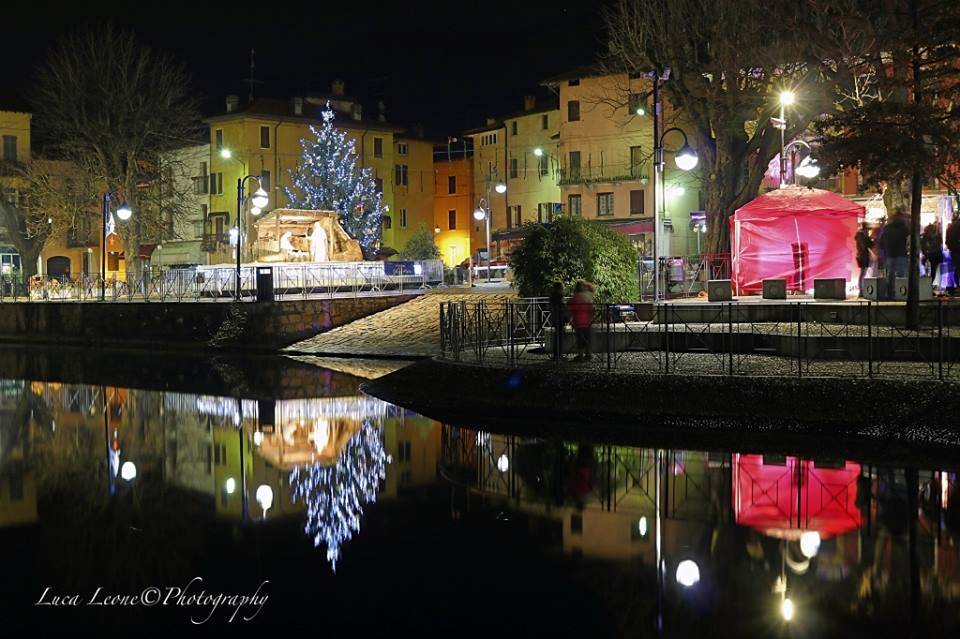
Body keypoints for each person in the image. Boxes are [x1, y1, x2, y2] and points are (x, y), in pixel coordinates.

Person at [881, 207, 909, 299]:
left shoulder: (887, 228)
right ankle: (902, 293)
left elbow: (881, 242)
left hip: (889, 255)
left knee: (890, 276)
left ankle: (890, 294)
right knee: (901, 276)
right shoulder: (903, 227)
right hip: (901, 254)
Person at [567, 280, 595, 362]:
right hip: (587, 321)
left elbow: (569, 308)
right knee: (587, 338)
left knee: (580, 340)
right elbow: (592, 308)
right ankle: (588, 354)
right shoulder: (587, 296)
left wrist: (570, 319)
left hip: (577, 321)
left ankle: (580, 356)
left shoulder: (574, 298)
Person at [920, 220, 943, 289]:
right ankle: (930, 283)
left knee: (931, 270)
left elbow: (923, 246)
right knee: (933, 270)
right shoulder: (937, 236)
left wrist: (926, 253)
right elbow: (939, 246)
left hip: (931, 256)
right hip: (933, 256)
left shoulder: (925, 236)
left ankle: (928, 283)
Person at [854, 222, 874, 296]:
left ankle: (861, 289)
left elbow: (869, 245)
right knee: (863, 273)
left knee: (863, 273)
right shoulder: (861, 235)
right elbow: (865, 245)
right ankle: (861, 290)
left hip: (862, 255)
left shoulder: (862, 235)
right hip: (862, 256)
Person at [548, 281, 566, 361]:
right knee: (560, 336)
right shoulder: (559, 296)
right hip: (559, 317)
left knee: (557, 336)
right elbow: (561, 307)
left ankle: (557, 355)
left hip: (555, 318)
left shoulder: (552, 296)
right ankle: (559, 355)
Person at [947, 212, 960, 295]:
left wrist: (951, 247)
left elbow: (947, 241)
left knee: (956, 268)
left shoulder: (950, 227)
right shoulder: (956, 226)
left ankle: (954, 287)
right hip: (957, 249)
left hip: (954, 251)